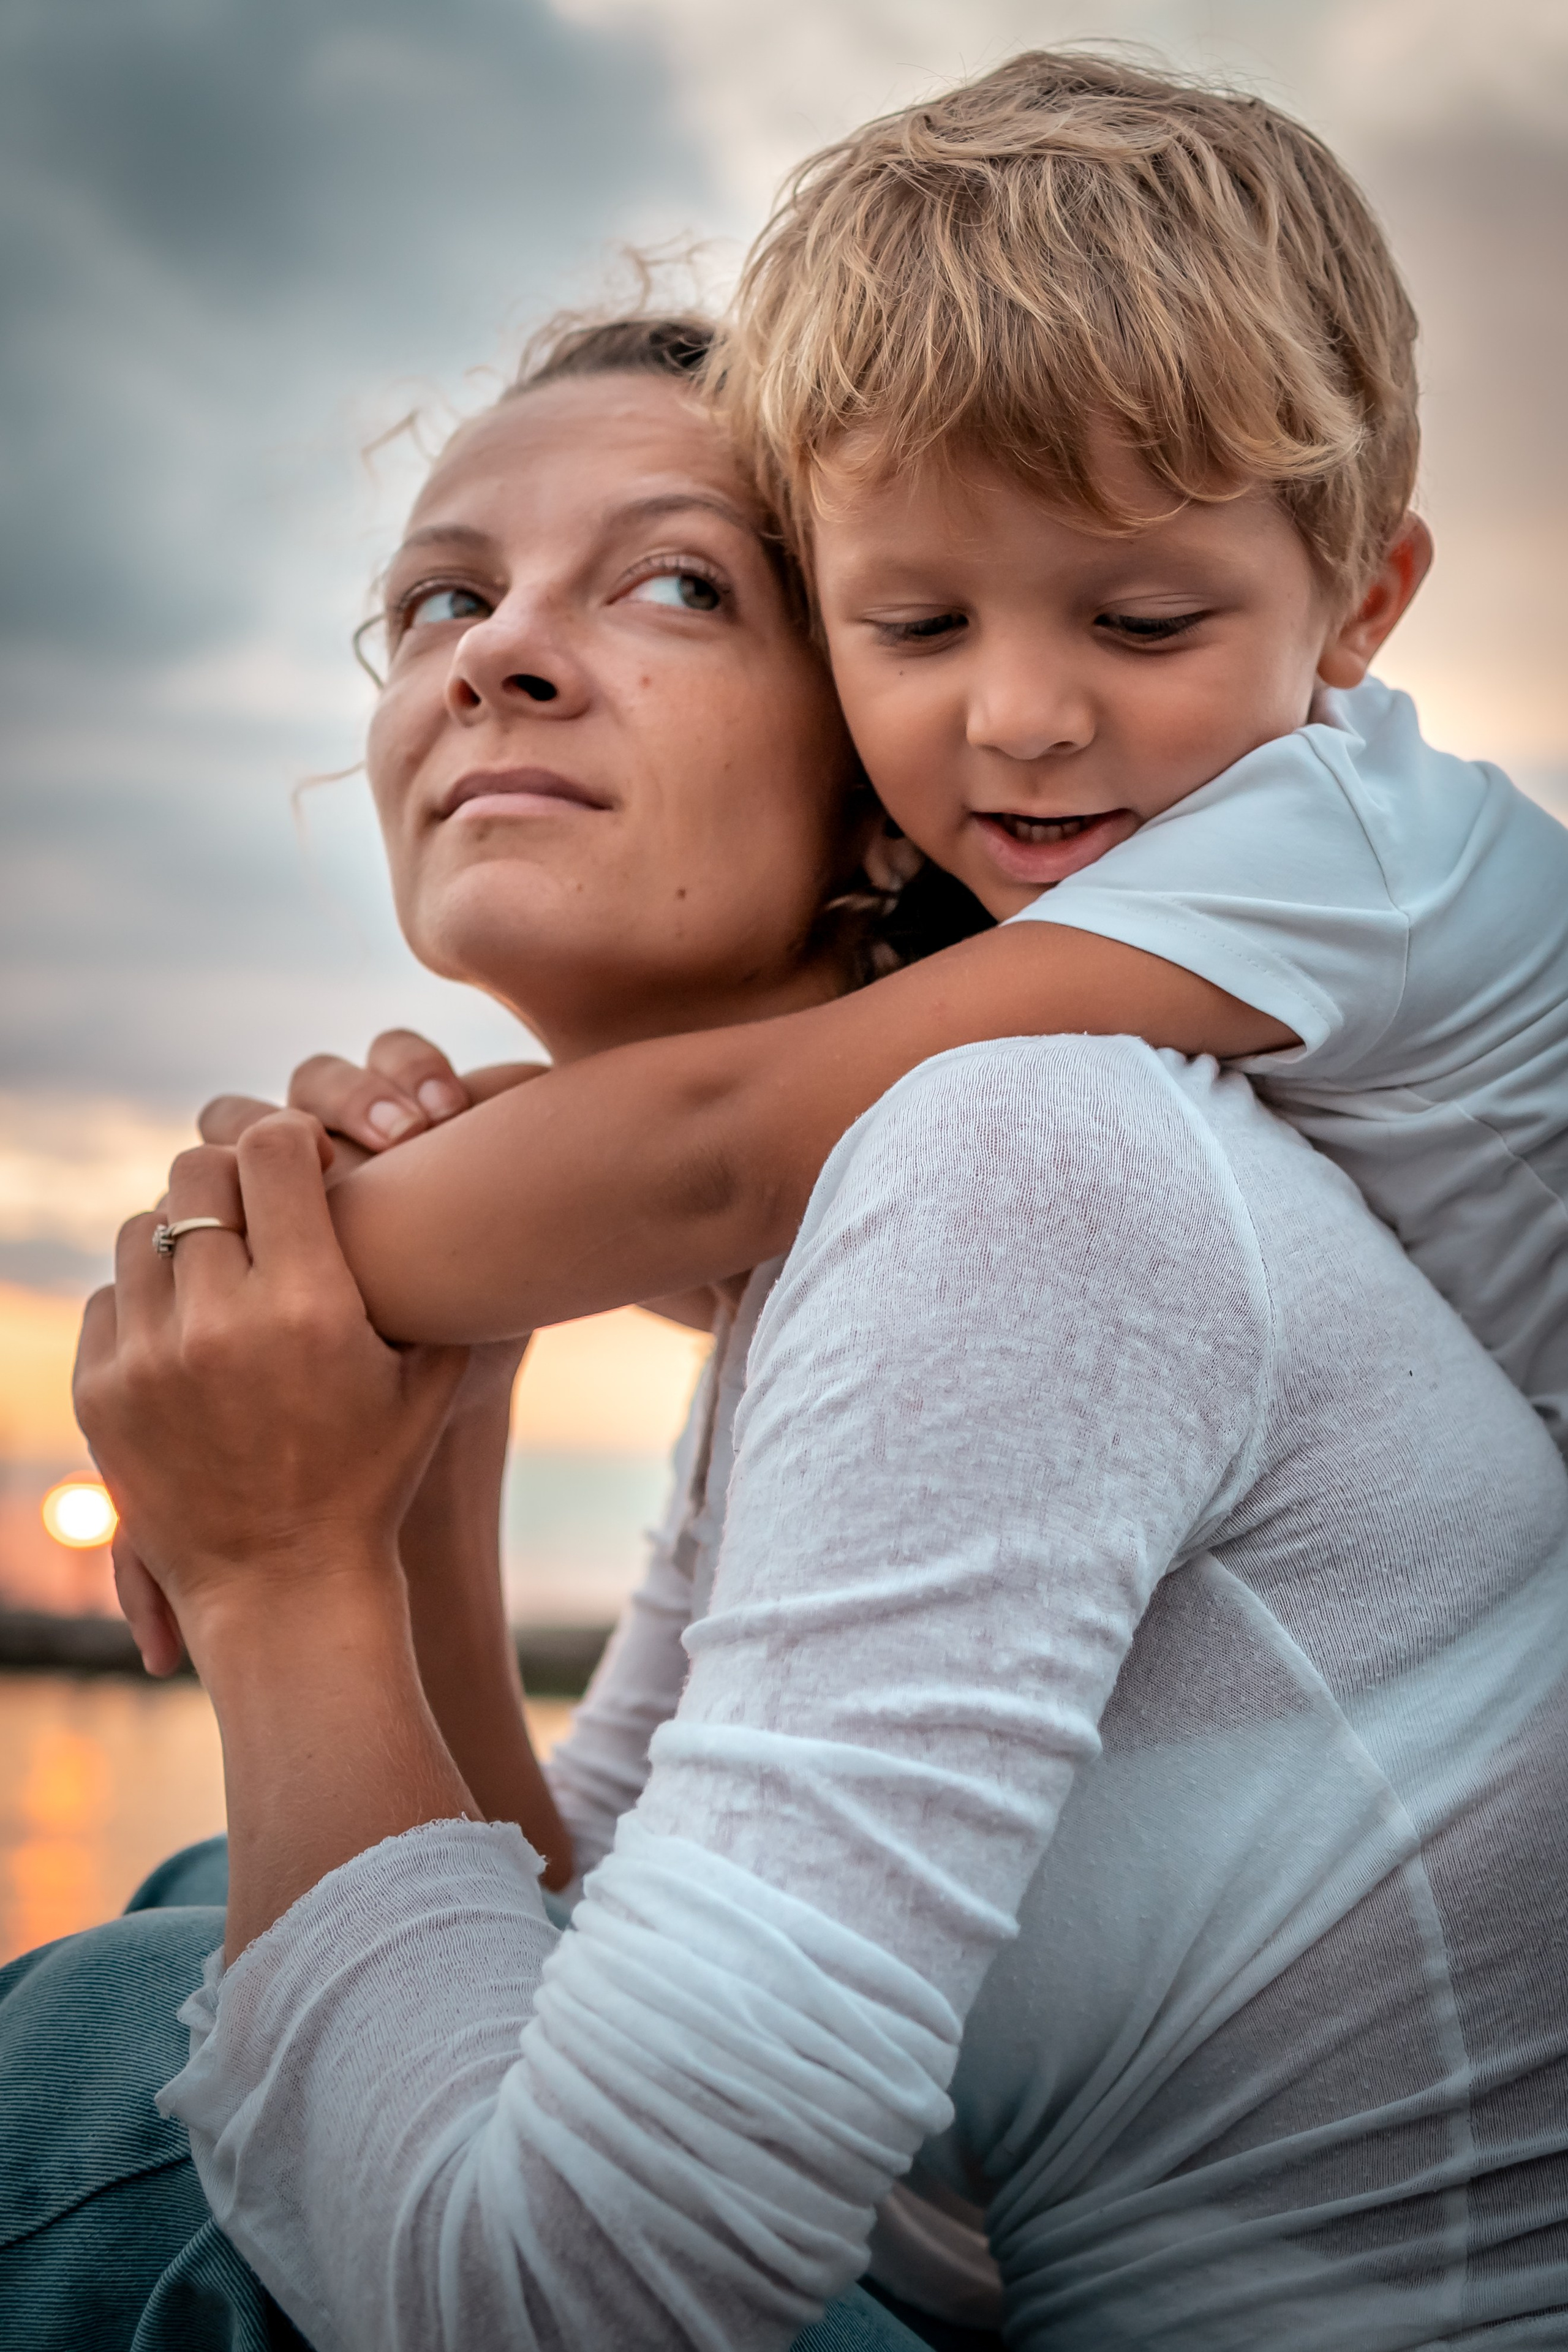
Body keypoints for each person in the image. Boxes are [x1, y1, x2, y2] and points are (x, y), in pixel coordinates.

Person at [33, 309, 1568, 2345]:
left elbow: (575, 2298)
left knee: (126, 2032)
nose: (497, 649)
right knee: (213, 1902)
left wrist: (266, 1559)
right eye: (441, 597)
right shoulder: (852, 1250)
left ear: (885, 761)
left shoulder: (1028, 1160)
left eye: (677, 582)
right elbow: (569, 1967)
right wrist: (408, 1457)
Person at [240, 53, 1568, 1466]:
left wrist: (255, 1293)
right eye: (921, 626)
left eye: (1141, 622)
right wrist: (428, 1156)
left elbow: (726, 1160)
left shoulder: (1316, 847)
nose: (1018, 718)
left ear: (1363, 602)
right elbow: (766, 1229)